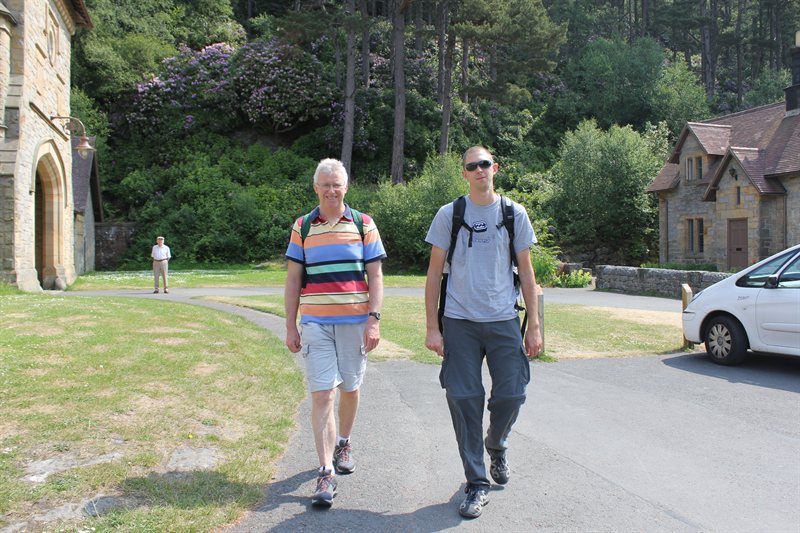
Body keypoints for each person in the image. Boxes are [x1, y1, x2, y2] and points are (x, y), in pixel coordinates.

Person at [424, 146, 543, 519]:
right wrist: (432, 327)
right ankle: (476, 482)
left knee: (513, 393)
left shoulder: (513, 213)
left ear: (496, 168)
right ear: (464, 173)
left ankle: (496, 442)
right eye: (472, 166)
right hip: (459, 321)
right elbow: (433, 275)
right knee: (463, 398)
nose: (479, 170)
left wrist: (534, 325)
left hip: (503, 319)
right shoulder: (450, 214)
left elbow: (526, 272)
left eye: (485, 164)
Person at [284, 158, 386, 507]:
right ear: (316, 188)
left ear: (346, 187)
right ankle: (326, 471)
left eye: (336, 184)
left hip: (355, 323)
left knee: (350, 388)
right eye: (325, 184)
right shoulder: (302, 227)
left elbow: (375, 275)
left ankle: (344, 442)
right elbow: (293, 279)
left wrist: (374, 319)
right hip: (315, 323)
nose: (331, 190)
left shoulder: (363, 224)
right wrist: (290, 325)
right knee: (323, 395)